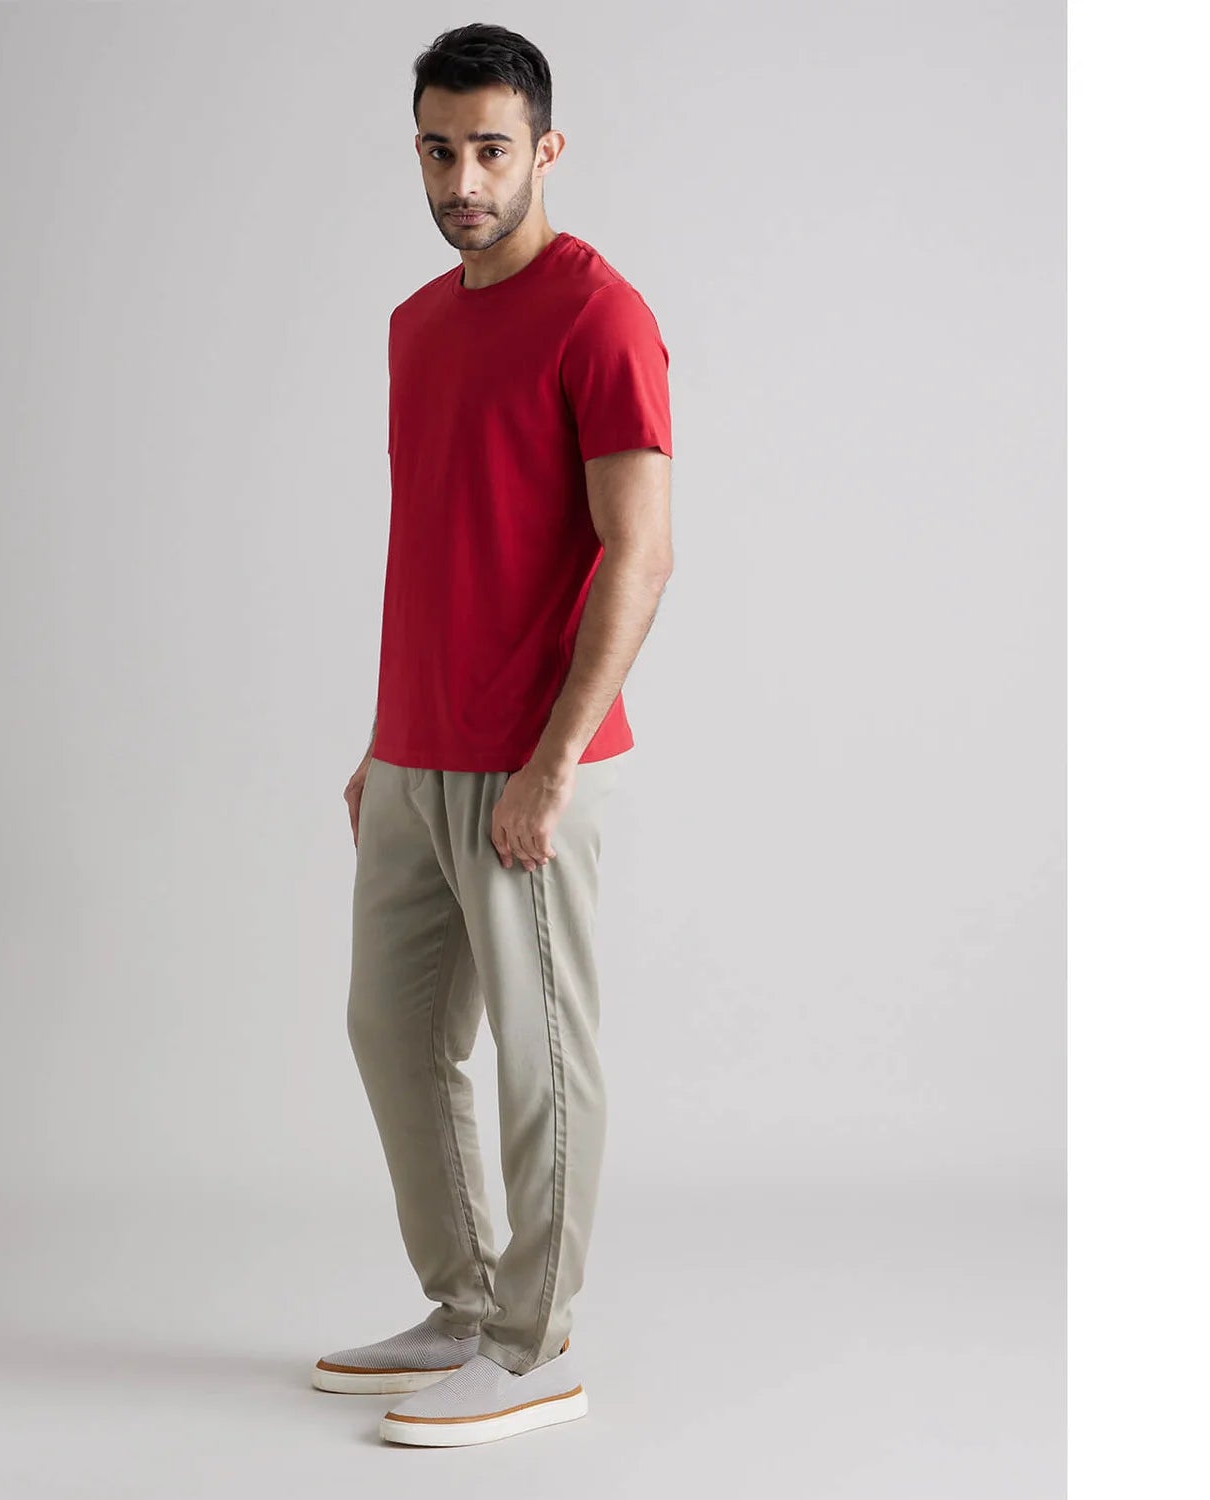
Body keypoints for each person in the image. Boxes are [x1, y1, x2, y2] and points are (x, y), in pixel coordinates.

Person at [311, 22, 674, 1448]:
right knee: (393, 1031)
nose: (463, 180)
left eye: (491, 150)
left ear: (546, 151)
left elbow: (639, 550)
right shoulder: (417, 324)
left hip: (532, 764)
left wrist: (553, 760)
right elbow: (439, 544)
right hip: (415, 753)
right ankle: (465, 1306)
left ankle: (535, 1346)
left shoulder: (601, 316)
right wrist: (383, 737)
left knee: (543, 1060)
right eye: (439, 150)